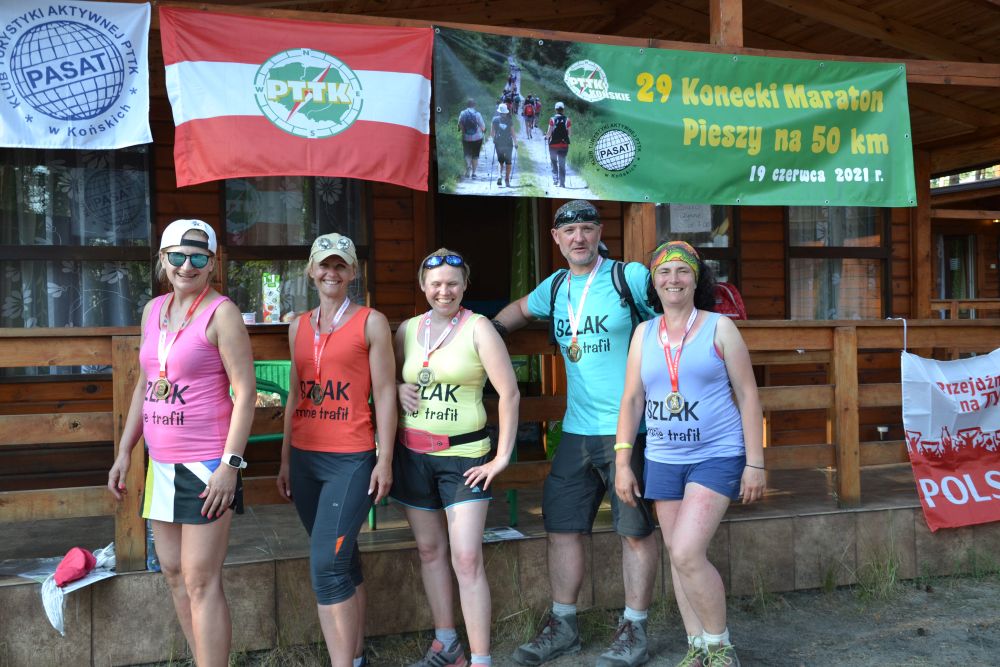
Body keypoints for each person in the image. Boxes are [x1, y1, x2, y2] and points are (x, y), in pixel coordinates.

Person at [492, 200, 660, 667]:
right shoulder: (556, 286)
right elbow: (519, 310)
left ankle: (634, 629)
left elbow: (675, 309)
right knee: (562, 527)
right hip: (576, 432)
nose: (579, 238)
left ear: (600, 232)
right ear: (556, 238)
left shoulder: (629, 277)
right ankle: (563, 626)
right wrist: (488, 331)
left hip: (631, 429)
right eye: (570, 231)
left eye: (587, 228)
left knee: (635, 531)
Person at [108, 218, 255, 667]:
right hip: (161, 465)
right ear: (162, 259)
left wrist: (230, 465)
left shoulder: (222, 312)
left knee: (200, 580)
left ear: (212, 263)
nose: (186, 265)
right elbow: (146, 383)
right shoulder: (153, 310)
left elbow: (245, 392)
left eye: (197, 257)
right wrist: (125, 450)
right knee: (173, 573)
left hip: (207, 465)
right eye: (177, 256)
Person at [614, 241, 765, 667]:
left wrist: (755, 462)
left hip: (716, 454)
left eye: (682, 271)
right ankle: (697, 646)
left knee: (685, 552)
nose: (673, 279)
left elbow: (748, 395)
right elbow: (632, 399)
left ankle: (720, 647)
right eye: (664, 272)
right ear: (654, 282)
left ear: (697, 279)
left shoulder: (720, 327)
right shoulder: (644, 333)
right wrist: (623, 461)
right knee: (679, 557)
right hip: (663, 458)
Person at [394, 248, 520, 667]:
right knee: (430, 552)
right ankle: (447, 645)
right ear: (423, 286)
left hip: (465, 457)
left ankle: (481, 659)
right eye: (435, 284)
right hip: (413, 455)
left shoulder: (479, 328)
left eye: (452, 283)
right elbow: (388, 379)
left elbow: (509, 393)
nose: (443, 291)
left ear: (465, 285)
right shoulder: (408, 329)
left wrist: (502, 456)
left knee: (466, 558)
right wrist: (396, 388)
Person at [276, 233, 396, 667]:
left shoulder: (371, 322)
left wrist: (384, 459)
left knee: (326, 567)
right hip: (305, 458)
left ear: (353, 272)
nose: (331, 272)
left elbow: (385, 393)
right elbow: (295, 395)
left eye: (340, 265)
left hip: (351, 459)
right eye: (324, 265)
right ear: (311, 270)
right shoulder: (297, 326)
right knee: (342, 559)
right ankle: (356, 654)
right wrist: (286, 460)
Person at [458, 98, 486, 180]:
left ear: (467, 105)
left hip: (466, 138)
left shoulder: (462, 113)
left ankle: (468, 166)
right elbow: (483, 127)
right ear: (474, 105)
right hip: (477, 138)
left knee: (467, 153)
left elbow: (459, 124)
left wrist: (464, 132)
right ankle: (473, 173)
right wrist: (483, 130)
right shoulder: (477, 114)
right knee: (475, 155)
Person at [491, 103, 517, 188]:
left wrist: (494, 140)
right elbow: (513, 133)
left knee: (500, 161)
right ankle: (507, 180)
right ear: (506, 112)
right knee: (508, 162)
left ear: (499, 112)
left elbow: (492, 133)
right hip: (508, 143)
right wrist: (516, 143)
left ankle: (499, 175)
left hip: (498, 143)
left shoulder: (494, 120)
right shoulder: (509, 121)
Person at [546, 102, 571, 188]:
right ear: (563, 110)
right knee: (562, 163)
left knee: (554, 162)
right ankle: (562, 183)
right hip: (564, 146)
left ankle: (555, 179)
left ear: (555, 109)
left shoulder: (552, 119)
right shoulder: (567, 120)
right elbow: (569, 134)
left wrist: (546, 137)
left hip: (553, 145)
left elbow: (549, 133)